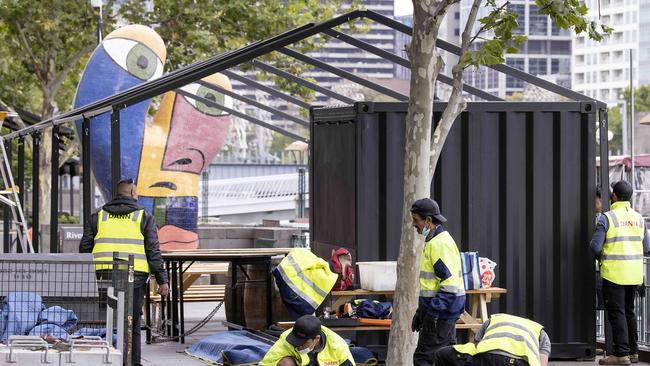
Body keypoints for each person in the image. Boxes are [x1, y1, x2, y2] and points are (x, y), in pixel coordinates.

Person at [80, 178, 169, 366]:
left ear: (116, 194)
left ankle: (108, 360)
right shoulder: (144, 216)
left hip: (103, 275)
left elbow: (85, 247)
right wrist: (163, 281)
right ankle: (132, 362)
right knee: (132, 321)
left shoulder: (98, 216)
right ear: (133, 194)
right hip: (134, 276)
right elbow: (153, 251)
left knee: (108, 320)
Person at [590, 180, 650, 365]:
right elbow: (647, 246)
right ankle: (633, 352)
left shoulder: (607, 218)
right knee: (629, 311)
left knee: (617, 313)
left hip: (614, 274)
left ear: (614, 196)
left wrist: (602, 257)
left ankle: (621, 353)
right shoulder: (639, 218)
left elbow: (595, 246)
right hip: (634, 274)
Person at [410, 198, 466, 366]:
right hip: (443, 312)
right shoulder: (435, 242)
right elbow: (433, 285)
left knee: (423, 359)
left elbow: (449, 286)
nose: (414, 224)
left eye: (416, 220)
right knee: (446, 358)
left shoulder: (439, 244)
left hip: (440, 315)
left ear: (428, 220)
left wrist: (432, 314)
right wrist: (422, 312)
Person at [434, 313, 550, 366]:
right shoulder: (540, 331)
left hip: (487, 357)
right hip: (518, 363)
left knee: (441, 354)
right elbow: (542, 363)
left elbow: (476, 347)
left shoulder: (494, 319)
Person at [259, 315, 355, 366]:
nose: (298, 346)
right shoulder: (286, 338)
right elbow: (266, 363)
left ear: (316, 339)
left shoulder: (337, 345)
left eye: (303, 343)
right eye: (295, 340)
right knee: (286, 363)